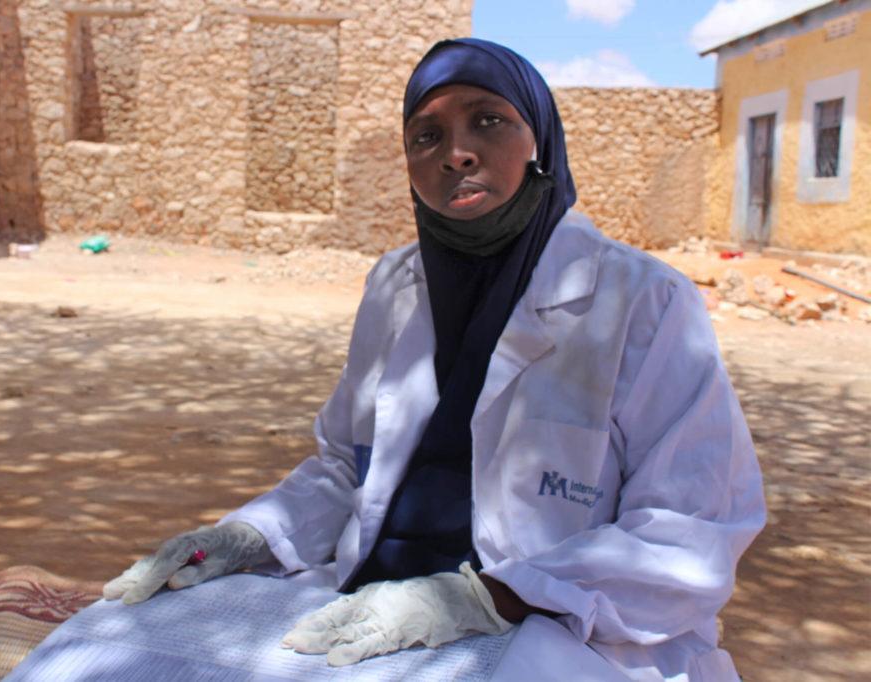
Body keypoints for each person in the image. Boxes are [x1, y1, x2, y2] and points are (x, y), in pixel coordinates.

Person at [104, 38, 765, 680]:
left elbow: (690, 533)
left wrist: (485, 599)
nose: (456, 154)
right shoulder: (394, 285)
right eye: (426, 137)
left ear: (541, 139)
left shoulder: (643, 301)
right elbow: (345, 468)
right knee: (116, 649)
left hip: (560, 632)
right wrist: (250, 536)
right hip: (368, 609)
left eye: (489, 120)